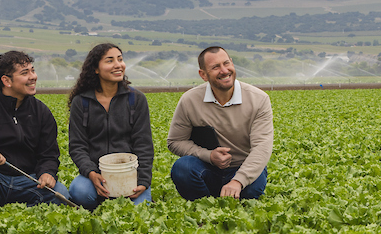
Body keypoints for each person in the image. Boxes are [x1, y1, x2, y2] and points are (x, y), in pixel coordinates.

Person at [0, 50, 67, 208]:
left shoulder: (41, 112)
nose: (33, 77)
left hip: (30, 180)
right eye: (25, 73)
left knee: (62, 195)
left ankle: (23, 217)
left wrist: (47, 173)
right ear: (6, 81)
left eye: (33, 70)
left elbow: (49, 154)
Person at [167, 46, 273, 200]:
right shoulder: (189, 100)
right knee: (183, 168)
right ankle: (203, 207)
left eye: (226, 63)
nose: (224, 71)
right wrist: (208, 156)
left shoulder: (258, 99)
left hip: (243, 167)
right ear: (203, 74)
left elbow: (262, 148)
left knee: (251, 190)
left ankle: (228, 196)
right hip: (207, 168)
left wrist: (238, 181)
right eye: (216, 67)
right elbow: (175, 141)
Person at [66, 43, 154, 209]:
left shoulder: (136, 99)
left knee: (139, 209)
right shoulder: (82, 102)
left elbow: (144, 145)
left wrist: (143, 180)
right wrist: (91, 173)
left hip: (129, 174)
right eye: (110, 60)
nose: (118, 65)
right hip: (96, 175)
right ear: (96, 69)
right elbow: (77, 146)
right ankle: (101, 199)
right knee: (80, 192)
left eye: (120, 59)